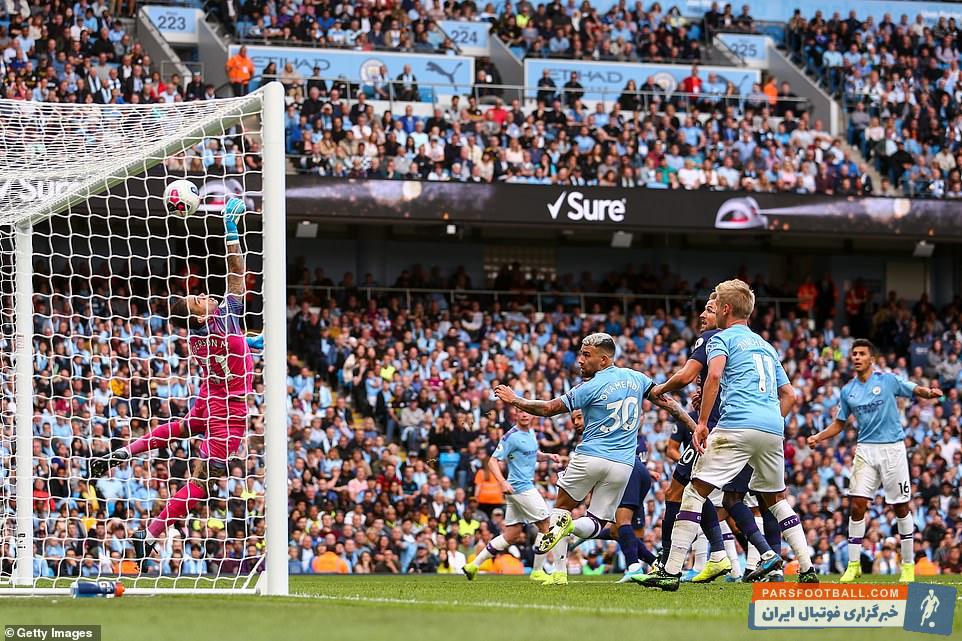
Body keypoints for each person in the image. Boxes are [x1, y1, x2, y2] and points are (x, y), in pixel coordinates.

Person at [91, 197, 255, 566]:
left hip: (209, 399)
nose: (204, 296)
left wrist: (251, 343)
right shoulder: (223, 318)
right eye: (198, 301)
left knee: (181, 428)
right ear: (198, 317)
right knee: (200, 484)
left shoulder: (200, 336)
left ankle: (124, 453)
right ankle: (150, 536)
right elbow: (236, 274)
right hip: (229, 411)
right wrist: (230, 232)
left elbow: (235, 344)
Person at [639, 279, 816, 591]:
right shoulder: (766, 345)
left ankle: (671, 571)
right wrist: (770, 420)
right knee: (776, 500)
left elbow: (715, 374)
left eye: (714, 304)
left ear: (725, 309)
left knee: (694, 492)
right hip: (772, 429)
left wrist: (702, 420)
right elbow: (790, 394)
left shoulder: (721, 339)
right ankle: (806, 567)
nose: (711, 309)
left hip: (736, 425)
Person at [494, 332, 697, 585]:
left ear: (603, 360)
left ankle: (559, 573)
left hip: (591, 456)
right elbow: (670, 405)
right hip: (623, 464)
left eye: (586, 355)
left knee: (561, 509)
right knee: (596, 521)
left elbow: (547, 409)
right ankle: (567, 531)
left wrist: (515, 400)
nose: (580, 360)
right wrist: (694, 427)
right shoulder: (638, 378)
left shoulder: (588, 387)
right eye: (580, 354)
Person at [807, 339, 942, 584]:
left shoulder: (887, 380)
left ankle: (908, 565)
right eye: (854, 354)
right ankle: (854, 565)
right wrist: (819, 436)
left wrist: (929, 393)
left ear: (871, 358)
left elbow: (912, 388)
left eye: (861, 354)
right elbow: (840, 422)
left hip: (893, 450)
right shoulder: (848, 391)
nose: (857, 357)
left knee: (900, 507)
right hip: (866, 450)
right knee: (857, 505)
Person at [649, 294, 760, 583]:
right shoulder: (746, 343)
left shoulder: (713, 337)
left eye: (709, 310)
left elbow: (687, 375)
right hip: (747, 428)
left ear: (724, 312)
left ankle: (668, 561)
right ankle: (730, 556)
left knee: (678, 493)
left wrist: (659, 390)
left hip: (714, 428)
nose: (702, 315)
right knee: (726, 498)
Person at [462, 410, 560, 583]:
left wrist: (548, 457)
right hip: (521, 488)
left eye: (527, 412)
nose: (524, 415)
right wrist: (501, 482)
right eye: (520, 412)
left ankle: (473, 565)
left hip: (519, 489)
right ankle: (537, 571)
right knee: (546, 524)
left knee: (511, 535)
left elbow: (532, 455)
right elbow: (492, 461)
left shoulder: (531, 432)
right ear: (515, 414)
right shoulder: (510, 437)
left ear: (532, 415)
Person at [571, 410, 659, 582]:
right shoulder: (606, 430)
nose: (575, 422)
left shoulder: (594, 433)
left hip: (628, 471)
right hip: (636, 470)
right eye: (573, 419)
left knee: (623, 523)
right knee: (616, 530)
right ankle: (655, 562)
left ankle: (634, 567)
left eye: (580, 418)